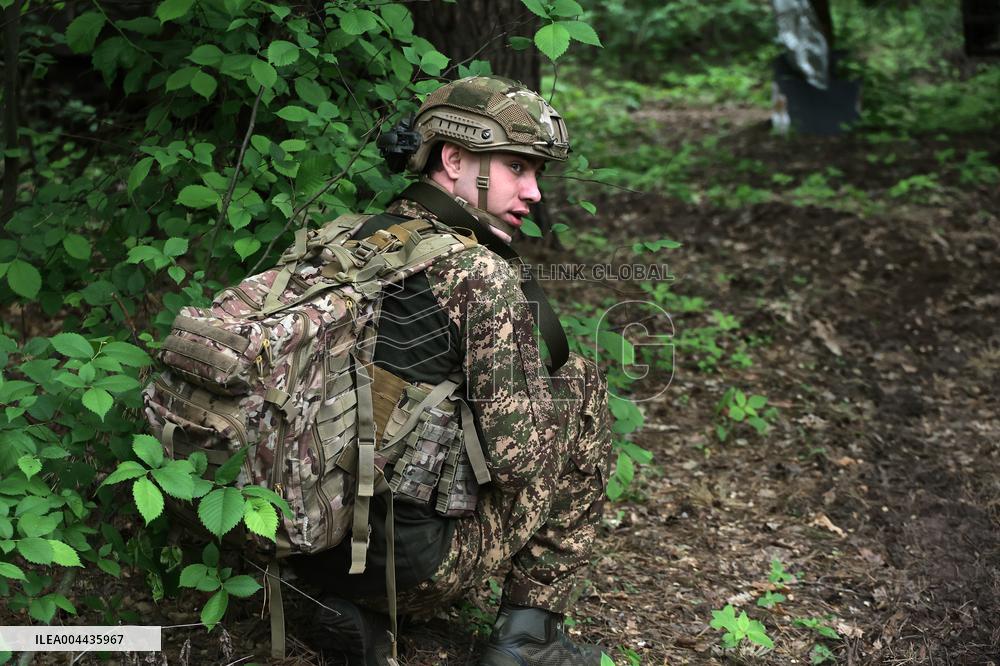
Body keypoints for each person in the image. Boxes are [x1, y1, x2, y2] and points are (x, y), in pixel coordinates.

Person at [292, 75, 613, 666]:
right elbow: (521, 464)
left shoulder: (344, 239)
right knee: (582, 385)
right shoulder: (478, 275)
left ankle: (349, 606)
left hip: (305, 538)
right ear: (454, 157)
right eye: (518, 167)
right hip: (415, 567)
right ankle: (529, 637)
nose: (534, 191)